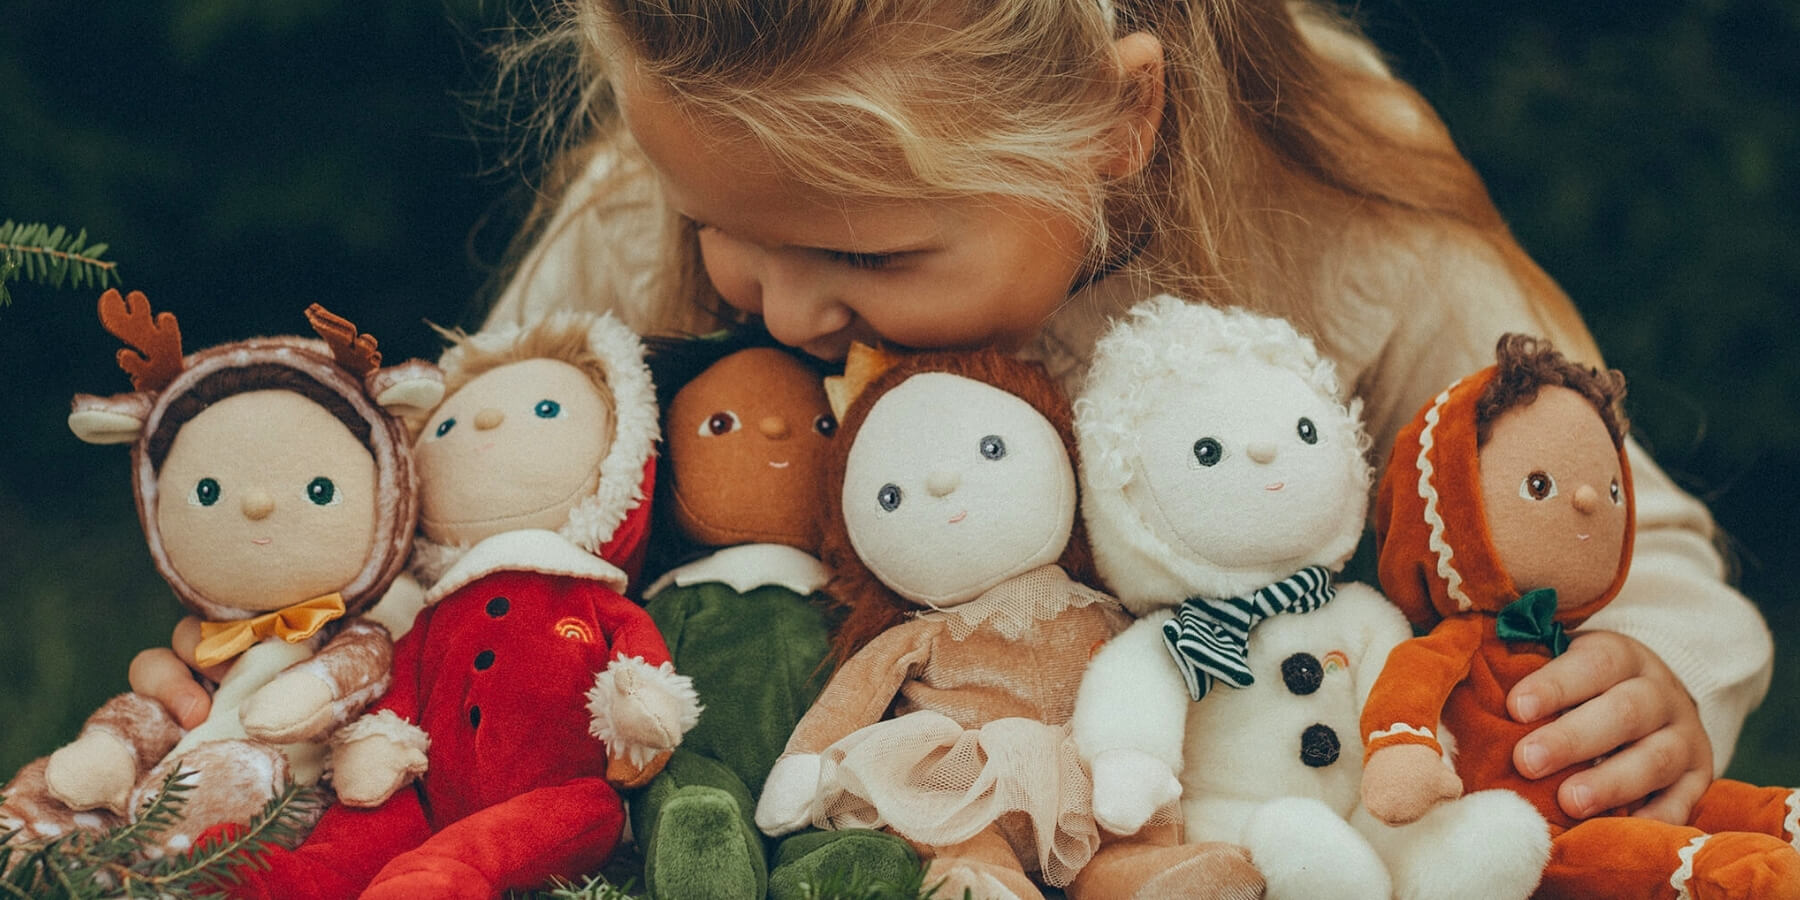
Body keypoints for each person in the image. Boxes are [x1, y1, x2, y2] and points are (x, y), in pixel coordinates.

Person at [132, 0, 1769, 842]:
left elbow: (1629, 541)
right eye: (727, 232)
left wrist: (1655, 684)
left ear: (1120, 122)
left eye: (861, 254)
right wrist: (253, 677)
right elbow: (426, 535)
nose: (772, 306)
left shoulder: (1342, 227)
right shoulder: (658, 199)